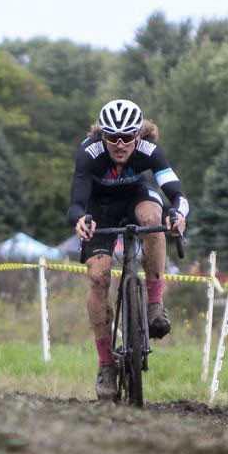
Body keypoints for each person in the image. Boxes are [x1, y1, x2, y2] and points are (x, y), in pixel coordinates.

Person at [67, 99, 189, 401]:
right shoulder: (89, 153)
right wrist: (80, 219)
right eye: (112, 138)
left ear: (138, 136)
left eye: (126, 138)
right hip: (101, 205)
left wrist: (178, 214)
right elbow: (76, 202)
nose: (120, 145)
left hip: (137, 194)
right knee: (98, 277)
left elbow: (177, 192)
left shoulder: (150, 152)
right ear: (102, 136)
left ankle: (155, 304)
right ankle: (107, 364)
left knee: (154, 219)